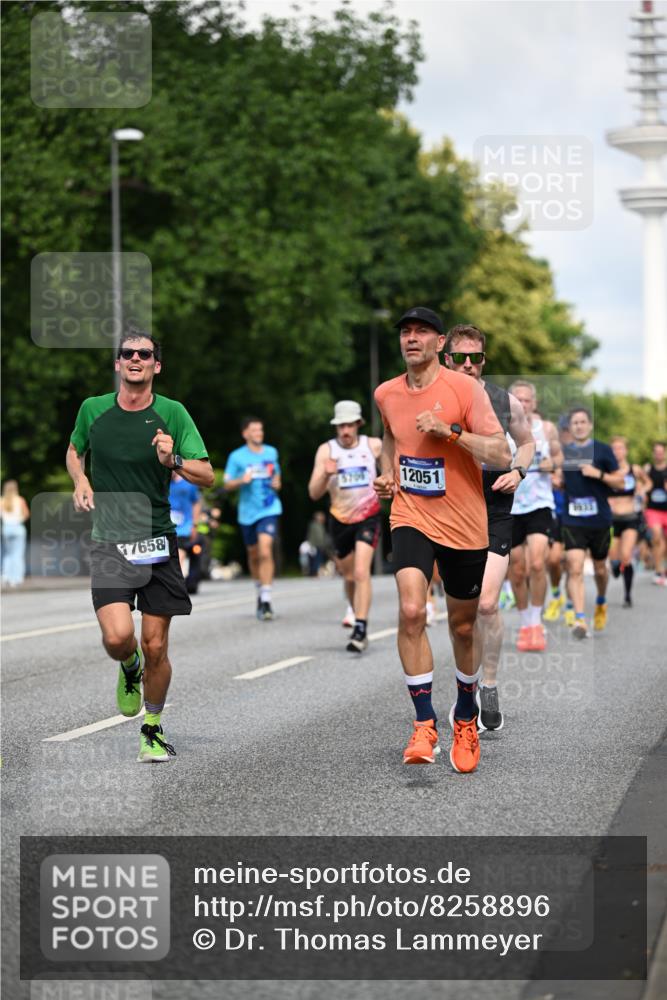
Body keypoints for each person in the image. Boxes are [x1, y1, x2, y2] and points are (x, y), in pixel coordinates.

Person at [373, 306, 510, 773]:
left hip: (464, 522)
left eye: (422, 332)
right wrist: (387, 474)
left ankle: (466, 716)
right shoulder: (386, 392)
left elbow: (500, 451)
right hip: (410, 514)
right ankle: (424, 723)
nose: (411, 338)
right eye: (405, 332)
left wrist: (450, 432)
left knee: (464, 627)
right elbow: (390, 436)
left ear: (439, 344)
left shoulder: (465, 390)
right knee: (412, 611)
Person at [66, 328, 214, 762]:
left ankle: (152, 728)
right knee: (118, 639)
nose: (135, 359)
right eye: (128, 353)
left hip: (157, 541)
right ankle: (129, 668)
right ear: (117, 363)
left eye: (144, 354)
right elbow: (74, 450)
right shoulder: (93, 409)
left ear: (156, 365)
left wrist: (174, 460)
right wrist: (81, 480)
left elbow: (207, 475)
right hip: (110, 541)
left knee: (156, 646)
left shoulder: (173, 413)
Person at [444, 325, 535, 731]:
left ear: (483, 360)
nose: (468, 364)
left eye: (475, 358)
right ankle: (467, 686)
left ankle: (490, 684)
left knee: (486, 604)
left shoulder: (504, 401)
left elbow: (527, 443)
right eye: (460, 357)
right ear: (447, 358)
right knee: (462, 614)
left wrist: (518, 471)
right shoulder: (434, 398)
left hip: (494, 505)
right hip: (452, 509)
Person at [308, 400, 382, 652]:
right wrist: (326, 474)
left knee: (361, 572)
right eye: (341, 426)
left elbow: (392, 472)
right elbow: (313, 493)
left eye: (350, 425)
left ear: (358, 424)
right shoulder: (326, 451)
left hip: (368, 517)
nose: (345, 431)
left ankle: (360, 626)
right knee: (349, 576)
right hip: (340, 520)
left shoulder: (373, 445)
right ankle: (354, 609)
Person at [507, 382, 563, 652]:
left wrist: (553, 464)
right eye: (518, 399)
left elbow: (559, 457)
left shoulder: (547, 429)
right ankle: (525, 624)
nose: (523, 403)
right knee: (517, 570)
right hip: (510, 506)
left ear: (534, 402)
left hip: (540, 504)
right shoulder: (500, 429)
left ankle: (536, 622)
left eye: (527, 399)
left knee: (538, 563)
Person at [561, 407, 625, 639]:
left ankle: (601, 600)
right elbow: (560, 480)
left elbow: (620, 482)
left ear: (589, 425)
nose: (579, 426)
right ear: (570, 427)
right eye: (575, 422)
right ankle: (580, 619)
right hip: (572, 519)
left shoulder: (603, 450)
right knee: (575, 567)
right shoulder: (564, 453)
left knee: (599, 569)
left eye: (582, 422)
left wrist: (598, 474)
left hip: (599, 520)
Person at [224, 417, 282, 620]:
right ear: (245, 434)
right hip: (247, 513)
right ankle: (259, 589)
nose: (259, 433)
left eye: (261, 430)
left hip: (269, 508)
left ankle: (266, 599)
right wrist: (242, 480)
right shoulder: (236, 457)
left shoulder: (271, 452)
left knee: (265, 550)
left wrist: (277, 483)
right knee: (254, 554)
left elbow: (277, 476)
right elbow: (227, 484)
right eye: (255, 430)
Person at [608, 436, 650, 607]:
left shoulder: (635, 469)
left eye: (620, 448)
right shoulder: (608, 471)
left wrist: (641, 491)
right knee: (613, 559)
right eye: (614, 448)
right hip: (612, 519)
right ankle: (615, 566)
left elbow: (648, 483)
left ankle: (627, 595)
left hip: (630, 517)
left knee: (626, 556)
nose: (617, 451)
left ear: (626, 450)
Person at [169, 471, 202, 576]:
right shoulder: (160, 483)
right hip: (165, 527)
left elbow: (196, 503)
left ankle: (177, 579)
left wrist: (195, 525)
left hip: (183, 527)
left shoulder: (189, 483)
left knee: (179, 556)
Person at [644, 441, 667, 586]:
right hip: (653, 510)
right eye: (656, 452)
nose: (659, 454)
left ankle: (664, 569)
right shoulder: (647, 469)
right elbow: (641, 486)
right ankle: (658, 571)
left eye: (661, 452)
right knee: (657, 537)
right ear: (653, 454)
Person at [1, 480, 30, 587]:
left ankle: (6, 576)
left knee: (7, 554)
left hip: (6, 528)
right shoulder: (20, 500)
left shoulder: (2, 501)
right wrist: (18, 519)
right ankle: (16, 579)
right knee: (17, 554)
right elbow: (26, 514)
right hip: (18, 528)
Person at [305, 511, 332, 576]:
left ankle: (314, 572)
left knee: (316, 559)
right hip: (316, 545)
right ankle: (314, 572)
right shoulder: (316, 525)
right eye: (321, 516)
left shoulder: (318, 525)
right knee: (316, 559)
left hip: (318, 545)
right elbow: (318, 537)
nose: (323, 518)